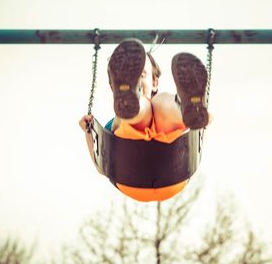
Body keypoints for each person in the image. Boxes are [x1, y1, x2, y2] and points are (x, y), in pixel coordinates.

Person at [79, 39, 212, 202]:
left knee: (159, 103)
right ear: (114, 86)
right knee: (145, 108)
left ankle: (188, 108)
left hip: (145, 176)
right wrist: (88, 131)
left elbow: (102, 167)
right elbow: (103, 163)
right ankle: (142, 104)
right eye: (130, 79)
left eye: (140, 76)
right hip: (167, 176)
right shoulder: (118, 120)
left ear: (154, 82)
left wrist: (200, 123)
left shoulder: (160, 107)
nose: (137, 82)